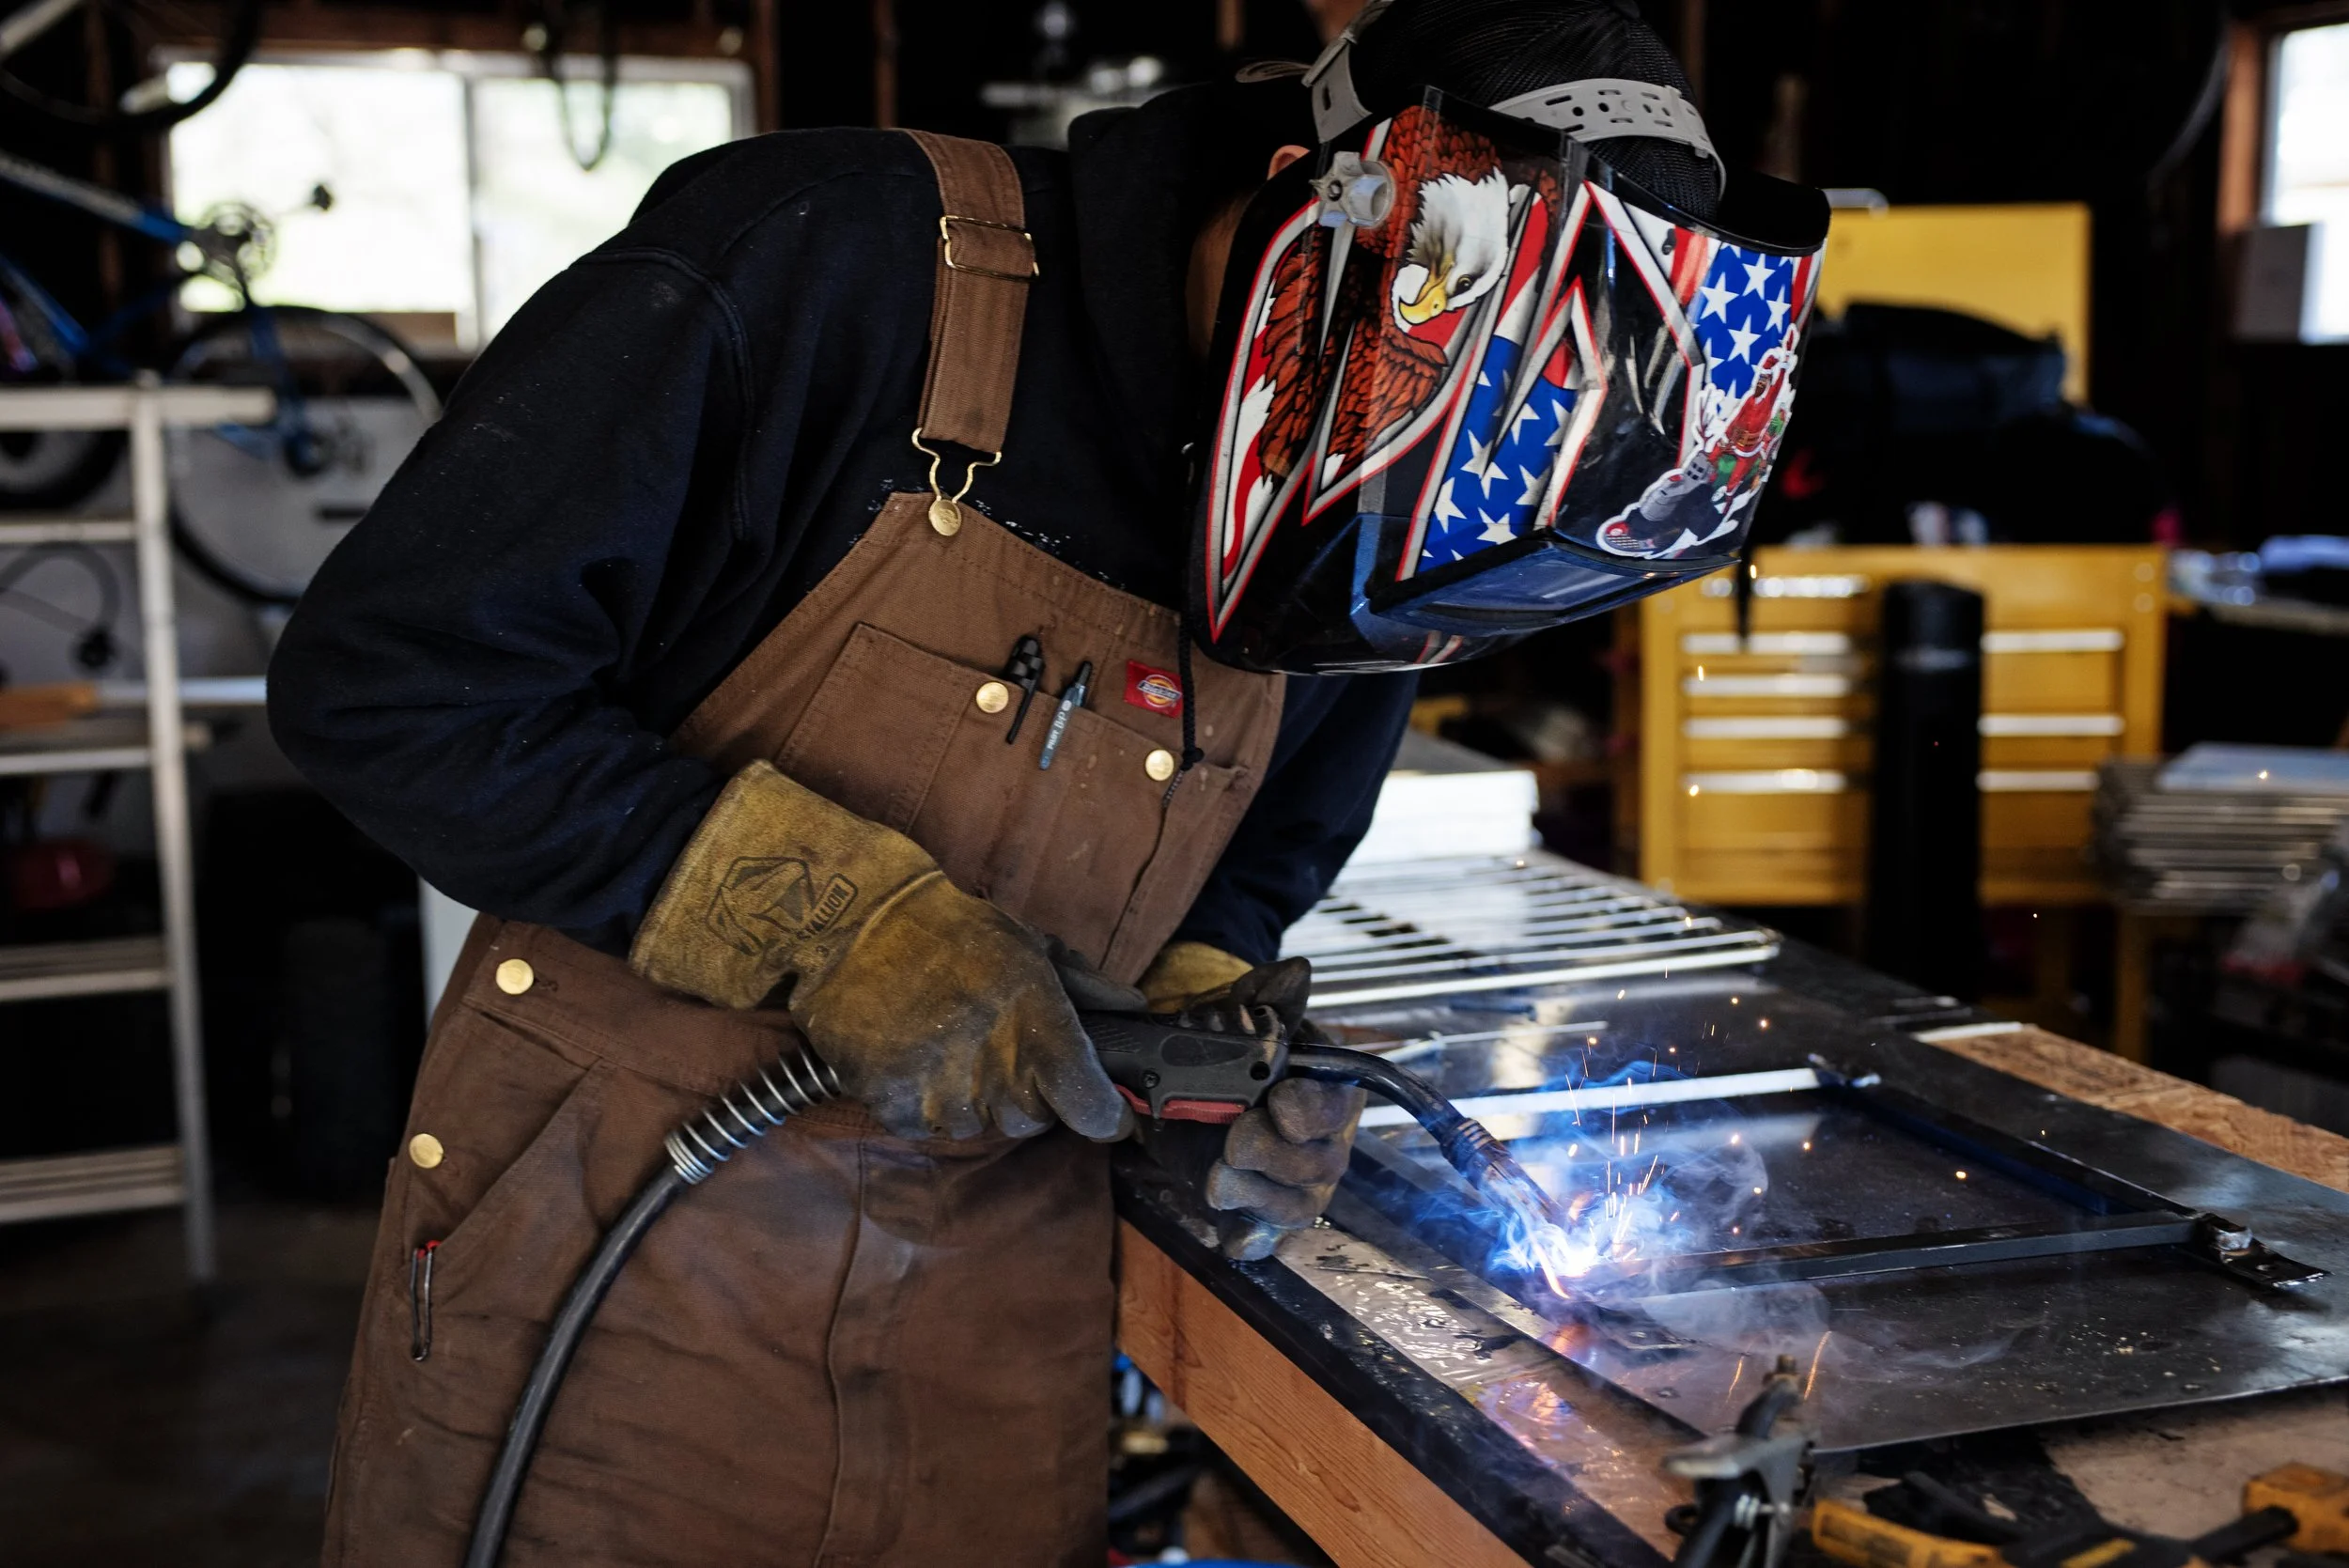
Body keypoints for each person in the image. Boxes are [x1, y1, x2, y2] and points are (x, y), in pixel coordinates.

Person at [269, 1, 1814, 1561]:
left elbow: (1256, 860)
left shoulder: (1387, 516)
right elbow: (396, 681)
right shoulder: (838, 265)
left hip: (995, 1341)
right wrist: (834, 924)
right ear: (1307, 211)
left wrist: (1206, 1040)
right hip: (608, 1293)